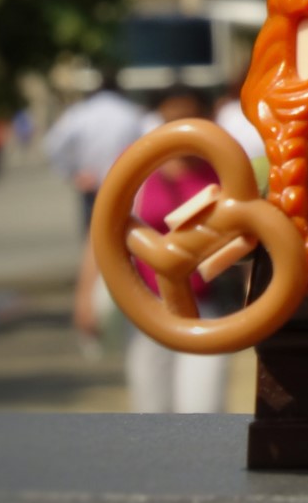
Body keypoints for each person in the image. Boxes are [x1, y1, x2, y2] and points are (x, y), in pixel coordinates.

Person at [74, 86, 231, 413]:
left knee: (202, 407)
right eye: (171, 120)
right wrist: (85, 295)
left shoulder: (225, 169)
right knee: (151, 408)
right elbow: (101, 233)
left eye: (189, 119)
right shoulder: (136, 167)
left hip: (206, 306)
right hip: (147, 308)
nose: (181, 129)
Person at [44, 68, 144, 233]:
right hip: (125, 186)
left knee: (92, 235)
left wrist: (72, 173)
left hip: (91, 183)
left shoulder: (80, 113)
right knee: (123, 236)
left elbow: (53, 143)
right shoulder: (132, 113)